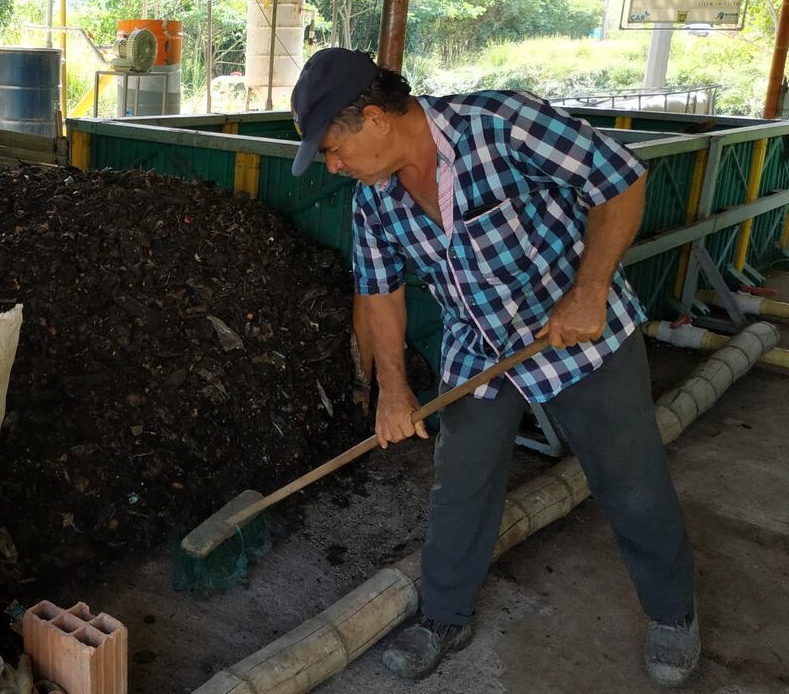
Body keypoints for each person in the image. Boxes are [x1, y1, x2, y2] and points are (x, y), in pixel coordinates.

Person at [288, 48, 698, 688]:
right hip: (477, 348)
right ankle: (444, 616)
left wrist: (590, 288)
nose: (334, 166)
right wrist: (392, 390)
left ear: (374, 119)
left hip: (578, 335)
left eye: (334, 150)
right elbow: (379, 293)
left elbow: (620, 180)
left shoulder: (502, 124)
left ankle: (673, 614)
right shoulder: (375, 199)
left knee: (631, 481)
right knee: (460, 486)